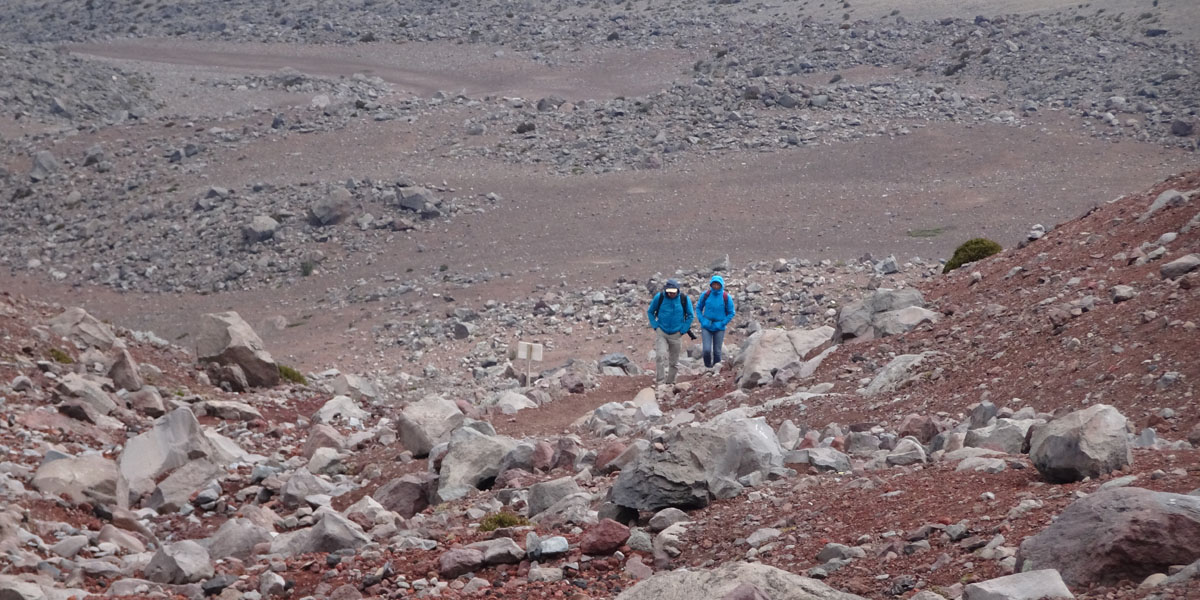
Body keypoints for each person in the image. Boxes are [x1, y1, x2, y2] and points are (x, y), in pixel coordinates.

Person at [646, 278, 694, 386]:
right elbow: (650, 312)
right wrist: (655, 326)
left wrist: (683, 330)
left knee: (674, 362)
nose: (671, 294)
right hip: (662, 331)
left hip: (676, 334)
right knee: (660, 356)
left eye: (673, 292)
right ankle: (660, 382)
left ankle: (670, 382)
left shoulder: (684, 299)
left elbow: (690, 315)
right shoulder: (660, 297)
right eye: (669, 292)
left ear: (677, 290)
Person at [695, 274, 736, 368]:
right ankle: (707, 367)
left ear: (721, 285)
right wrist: (702, 320)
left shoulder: (726, 297)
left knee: (717, 351)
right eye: (714, 284)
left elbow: (731, 312)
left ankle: (716, 369)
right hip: (707, 326)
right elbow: (698, 308)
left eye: (718, 284)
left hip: (719, 327)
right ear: (711, 285)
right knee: (706, 350)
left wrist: (723, 323)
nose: (716, 286)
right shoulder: (706, 295)